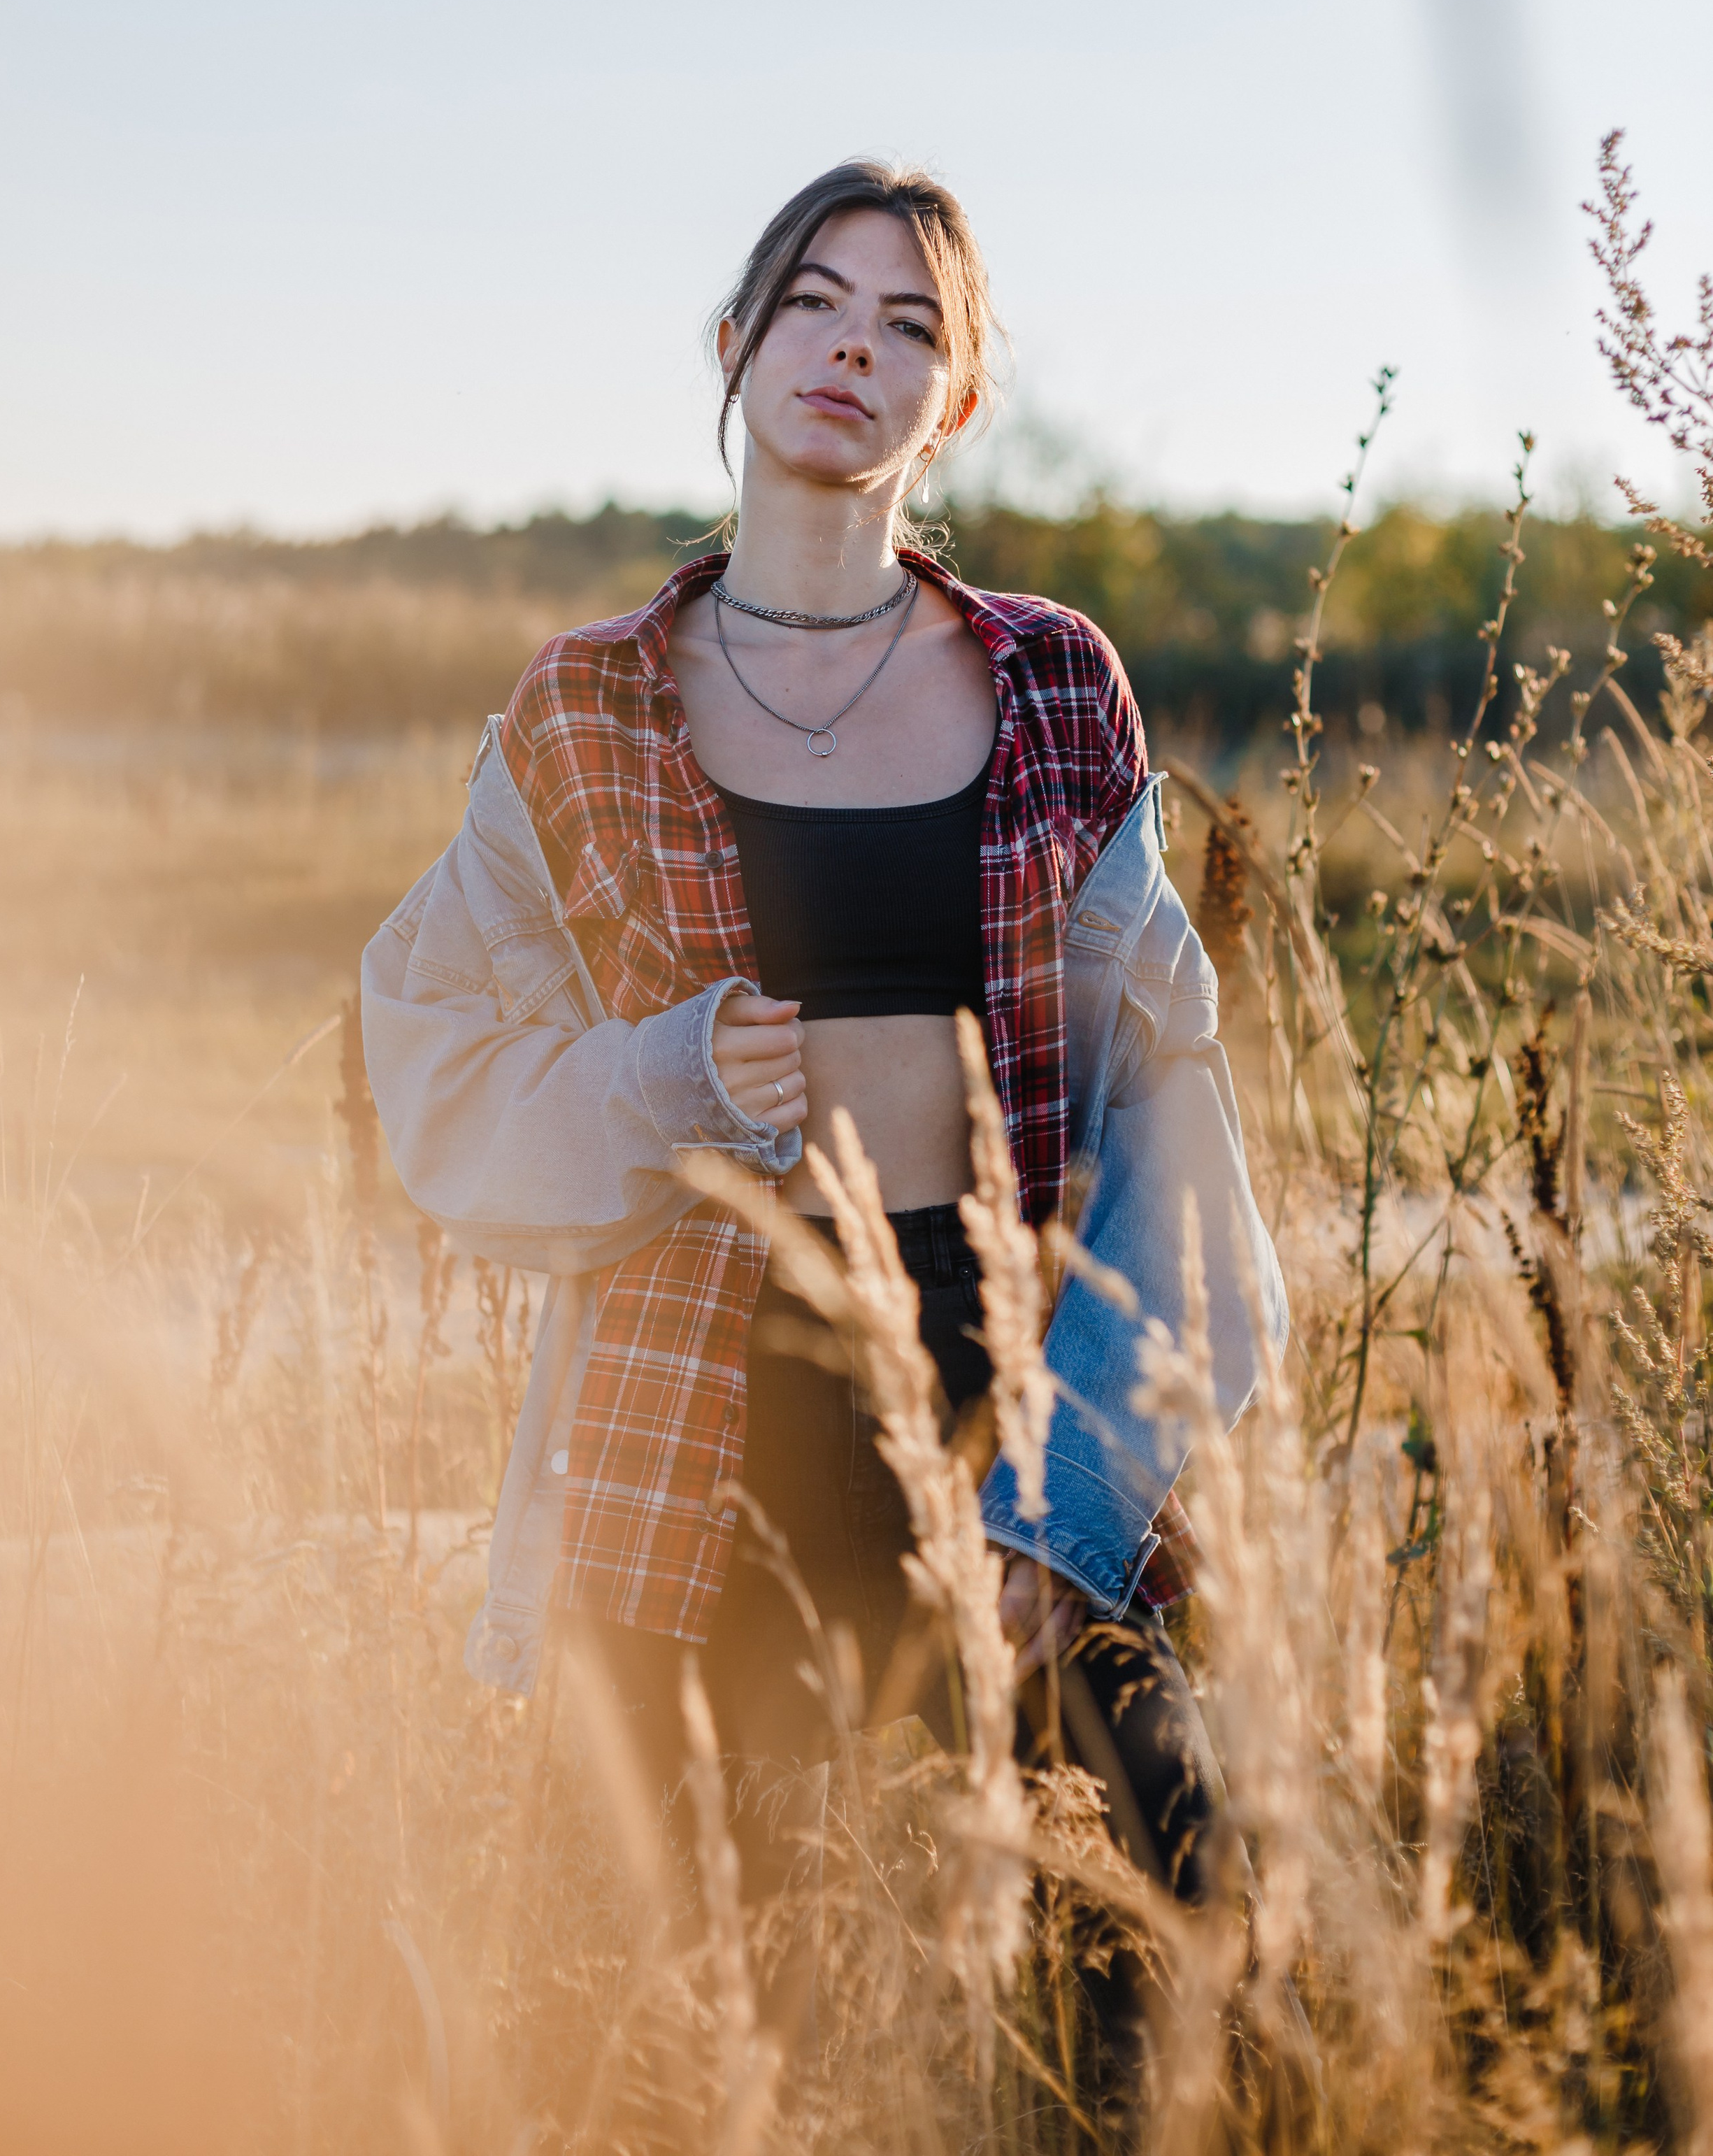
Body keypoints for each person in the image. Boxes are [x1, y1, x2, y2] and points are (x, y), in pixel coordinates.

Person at [361, 161, 1287, 2059]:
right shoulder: (585, 708)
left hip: (1004, 1380)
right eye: (813, 302)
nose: (854, 347)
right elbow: (429, 1056)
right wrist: (665, 1077)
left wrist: (1071, 1506)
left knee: (1174, 1919)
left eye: (910, 324)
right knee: (692, 1994)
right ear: (735, 344)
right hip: (698, 1393)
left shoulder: (1054, 684)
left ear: (958, 401)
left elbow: (1169, 1103)